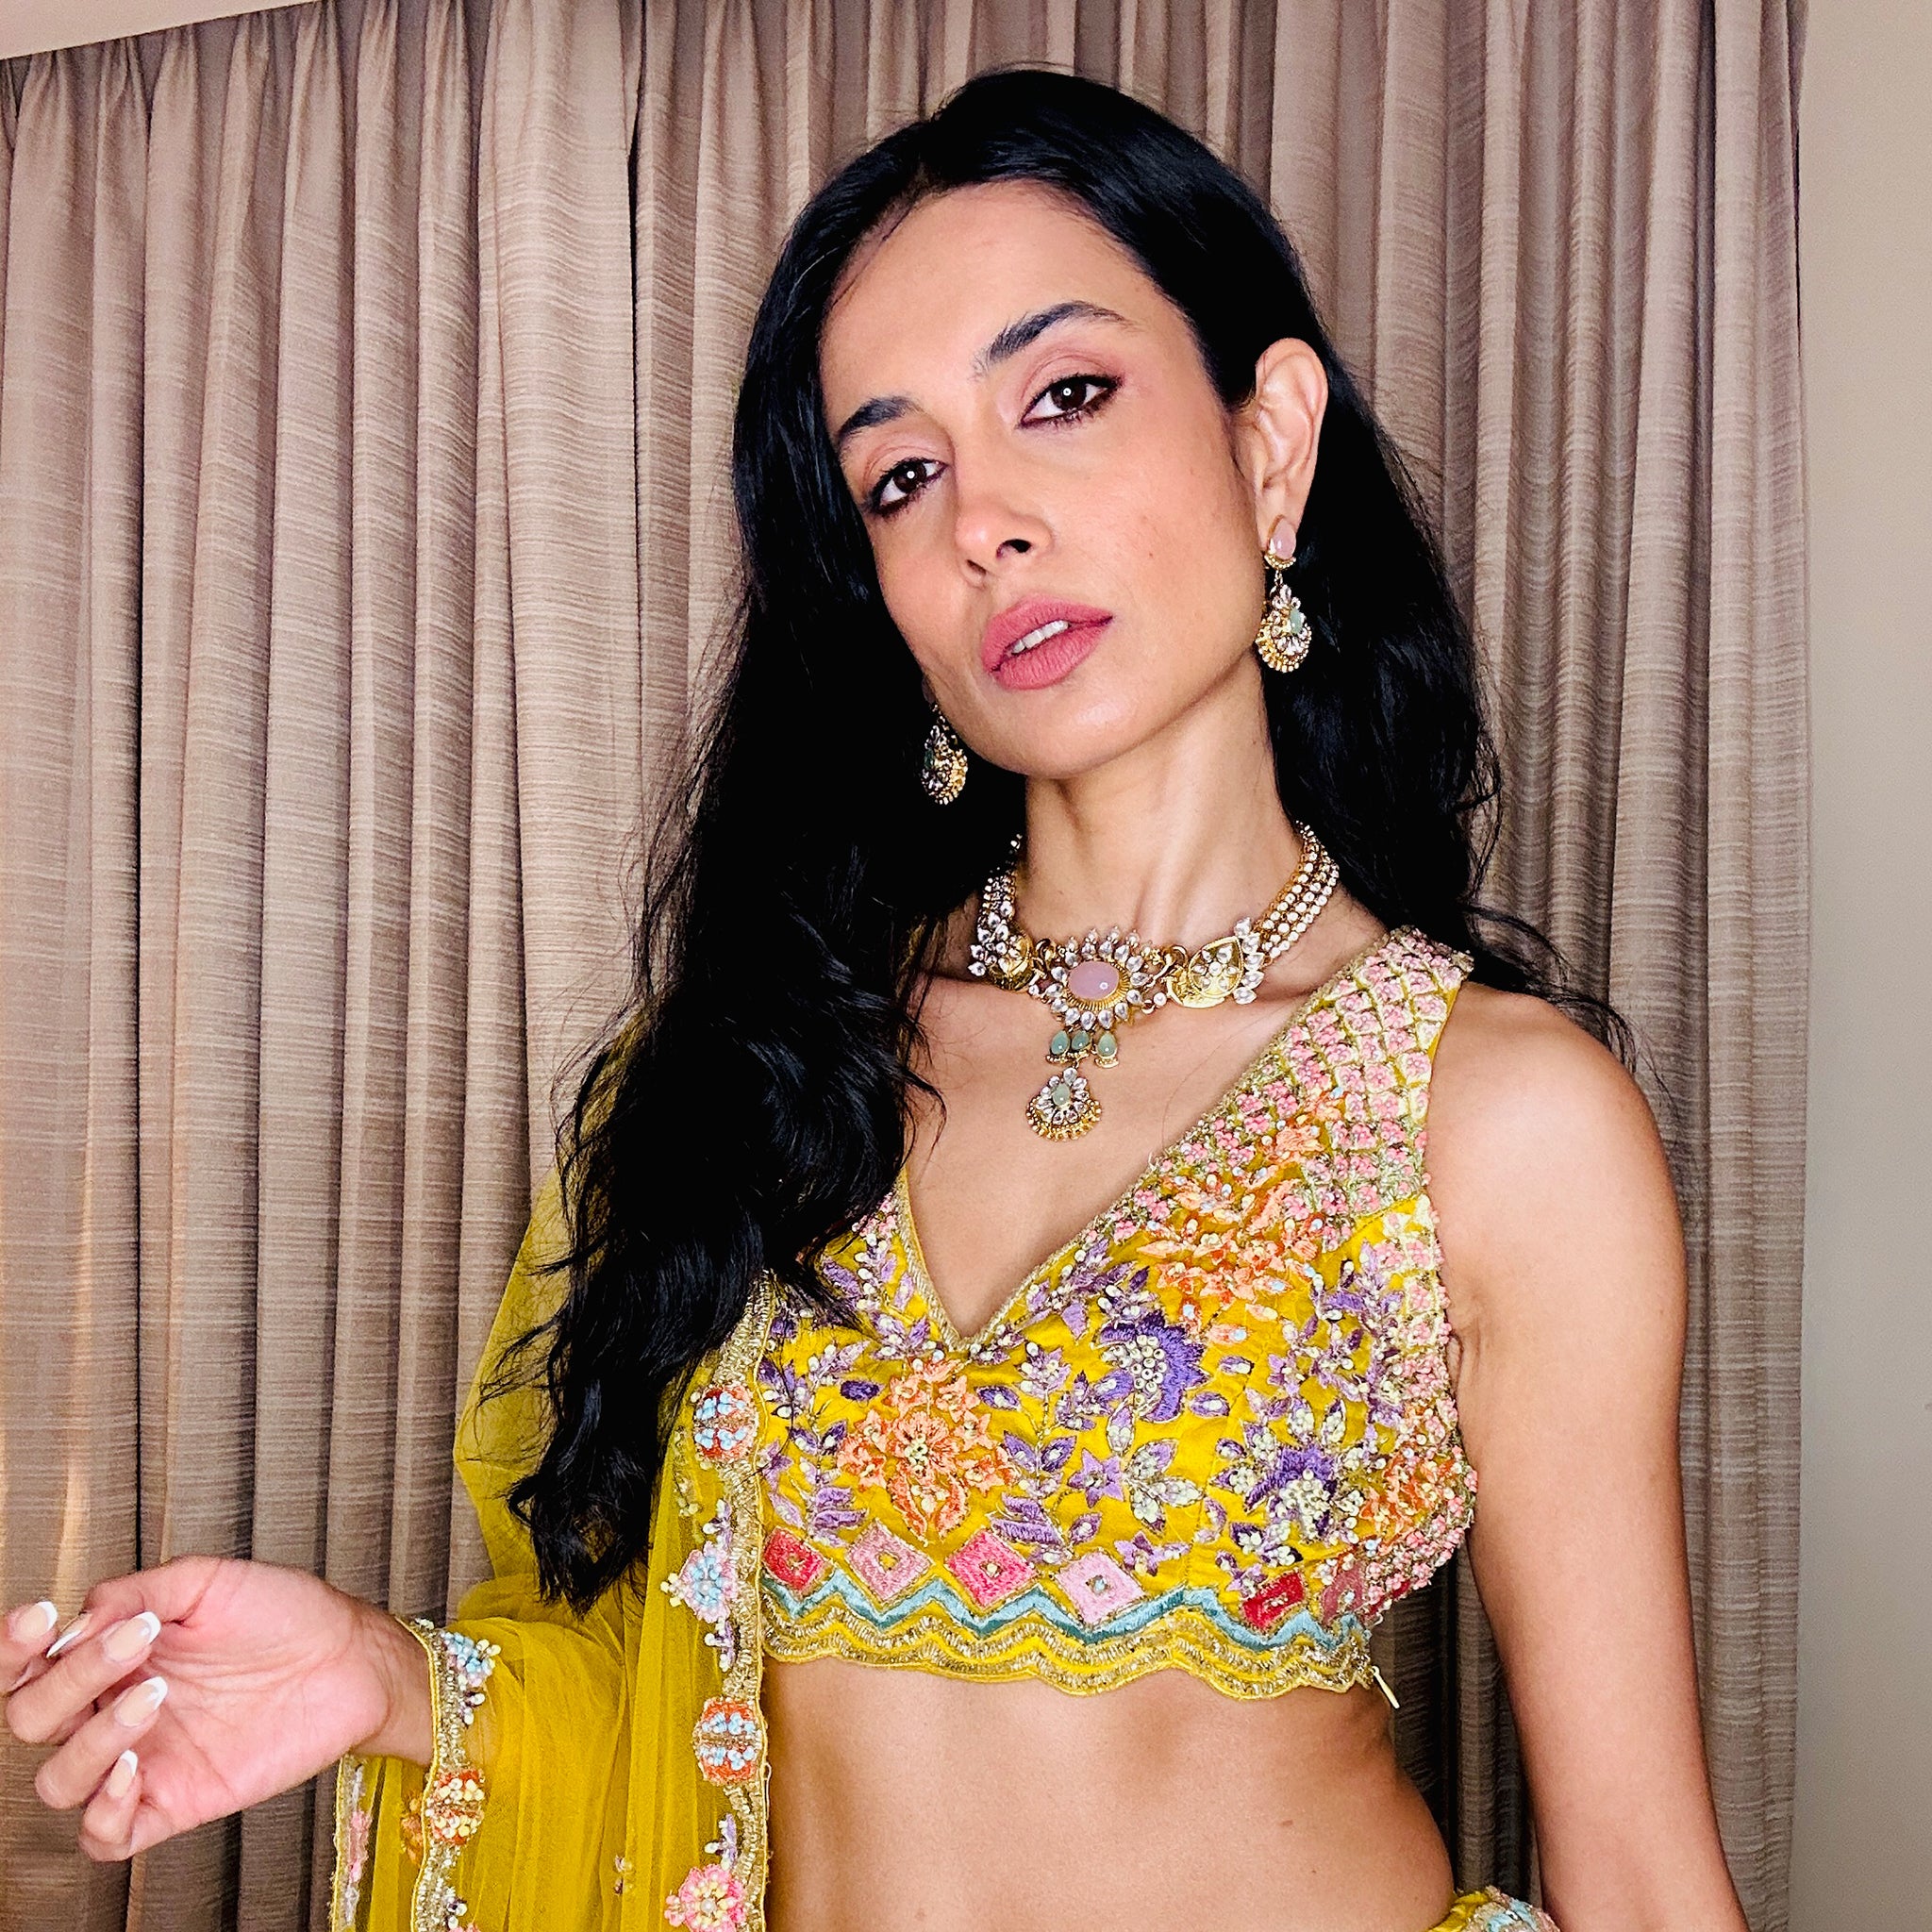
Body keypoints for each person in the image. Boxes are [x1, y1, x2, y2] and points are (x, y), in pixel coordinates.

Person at [3, 68, 1749, 1932]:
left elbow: (1639, 1874)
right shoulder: (765, 1068)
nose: (985, 519)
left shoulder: (1491, 1118)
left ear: (1271, 447)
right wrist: (380, 1674)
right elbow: (689, 1712)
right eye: (902, 476)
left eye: (1063, 396)